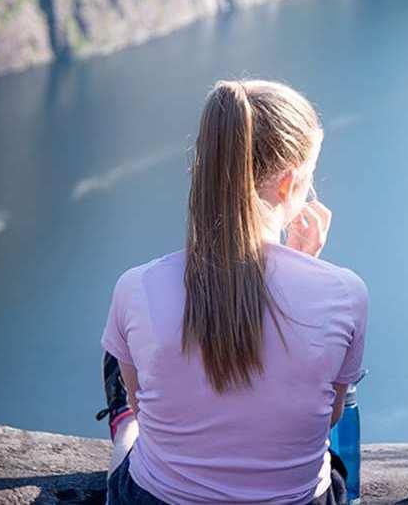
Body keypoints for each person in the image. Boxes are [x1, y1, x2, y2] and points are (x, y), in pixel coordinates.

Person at [99, 79, 368, 505]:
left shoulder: (137, 288)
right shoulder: (344, 294)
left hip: (161, 499)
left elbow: (149, 409)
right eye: (310, 176)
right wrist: (308, 268)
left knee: (134, 429)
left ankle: (121, 426)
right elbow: (328, 416)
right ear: (287, 183)